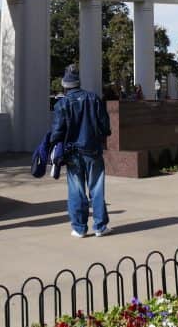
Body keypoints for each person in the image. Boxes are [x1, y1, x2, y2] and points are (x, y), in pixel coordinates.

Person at [50, 65, 112, 238]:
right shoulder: (93, 98)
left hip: (73, 153)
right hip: (93, 149)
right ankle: (100, 226)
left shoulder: (61, 105)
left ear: (64, 85)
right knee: (97, 188)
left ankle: (79, 228)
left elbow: (57, 133)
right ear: (78, 83)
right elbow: (105, 126)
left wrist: (54, 148)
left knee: (76, 190)